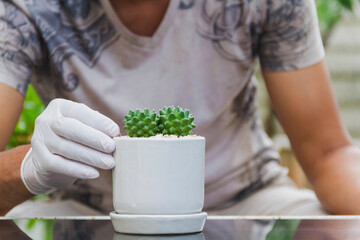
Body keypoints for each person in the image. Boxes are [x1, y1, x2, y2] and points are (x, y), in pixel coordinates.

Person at [0, 0, 359, 217]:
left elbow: (328, 153)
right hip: (88, 210)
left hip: (251, 200)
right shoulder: (22, 8)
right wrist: (28, 168)